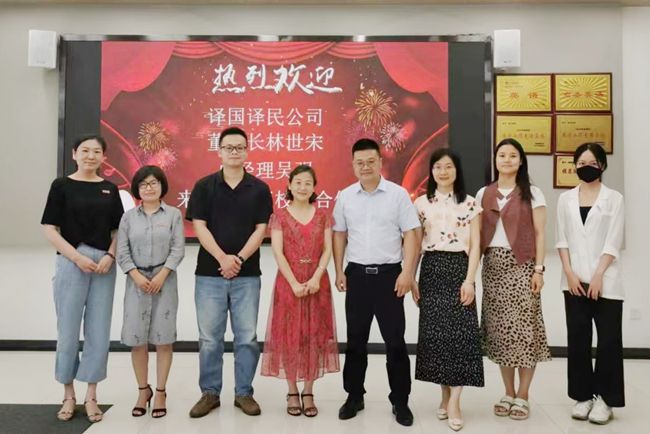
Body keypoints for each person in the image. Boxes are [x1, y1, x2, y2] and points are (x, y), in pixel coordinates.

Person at [333, 138, 420, 427]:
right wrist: (339, 270)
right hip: (357, 276)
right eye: (360, 162)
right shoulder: (345, 197)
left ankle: (400, 400)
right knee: (355, 341)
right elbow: (339, 234)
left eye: (371, 161)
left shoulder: (397, 195)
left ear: (380, 162)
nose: (365, 167)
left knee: (395, 341)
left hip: (389, 277)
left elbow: (411, 233)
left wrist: (408, 273)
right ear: (353, 165)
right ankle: (354, 396)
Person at [186, 126, 273, 418]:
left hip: (247, 275)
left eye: (239, 147)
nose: (234, 152)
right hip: (209, 274)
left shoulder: (259, 188)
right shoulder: (204, 186)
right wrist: (223, 258)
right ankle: (210, 393)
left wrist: (238, 259)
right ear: (219, 151)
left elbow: (261, 229)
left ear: (247, 151)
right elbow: (199, 226)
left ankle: (244, 393)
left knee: (246, 337)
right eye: (229, 147)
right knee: (210, 339)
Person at [41, 135, 124, 423]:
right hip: (71, 261)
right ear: (75, 154)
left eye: (97, 151)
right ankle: (68, 394)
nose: (91, 156)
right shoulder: (61, 186)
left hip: (103, 265)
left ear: (104, 157)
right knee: (67, 332)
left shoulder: (110, 189)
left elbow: (118, 231)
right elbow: (49, 228)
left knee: (98, 332)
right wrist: (76, 258)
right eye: (85, 151)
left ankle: (91, 395)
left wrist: (110, 256)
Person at [476, 137, 551, 421]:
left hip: (523, 266)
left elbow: (541, 234)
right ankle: (508, 392)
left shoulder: (533, 193)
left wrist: (539, 270)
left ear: (521, 161)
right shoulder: (483, 193)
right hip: (493, 267)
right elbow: (475, 234)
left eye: (512, 155)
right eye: (502, 155)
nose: (507, 160)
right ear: (495, 161)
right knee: (500, 332)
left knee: (524, 331)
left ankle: (523, 394)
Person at [412, 148, 484, 431]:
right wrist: (412, 278)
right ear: (431, 171)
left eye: (448, 167)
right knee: (438, 337)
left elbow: (476, 246)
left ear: (457, 171)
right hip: (431, 270)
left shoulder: (470, 203)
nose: (443, 172)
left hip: (459, 270)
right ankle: (444, 396)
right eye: (438, 167)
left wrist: (470, 280)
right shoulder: (421, 204)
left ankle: (455, 401)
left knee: (461, 337)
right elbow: (415, 245)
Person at [261, 165, 339, 417]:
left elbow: (327, 250)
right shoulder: (279, 216)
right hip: (289, 282)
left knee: (313, 336)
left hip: (317, 283)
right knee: (289, 336)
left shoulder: (323, 215)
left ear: (314, 187)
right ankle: (292, 391)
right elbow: (278, 252)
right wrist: (294, 282)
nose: (303, 187)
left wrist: (316, 277)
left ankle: (308, 391)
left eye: (308, 183)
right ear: (290, 185)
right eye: (298, 182)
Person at [556, 143, 625, 424]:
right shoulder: (565, 199)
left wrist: (598, 275)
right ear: (574, 166)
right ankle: (583, 396)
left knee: (608, 341)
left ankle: (606, 400)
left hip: (605, 280)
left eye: (593, 163)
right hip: (573, 281)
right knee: (578, 340)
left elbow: (614, 240)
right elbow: (562, 239)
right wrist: (569, 272)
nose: (587, 167)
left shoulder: (614, 199)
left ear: (602, 166)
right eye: (581, 162)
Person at [116, 165, 185, 418]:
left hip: (164, 282)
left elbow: (178, 249)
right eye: (143, 184)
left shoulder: (173, 215)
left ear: (162, 186)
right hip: (136, 284)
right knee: (137, 341)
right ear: (137, 189)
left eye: (154, 183)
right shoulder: (128, 218)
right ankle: (142, 390)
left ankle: (161, 392)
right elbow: (122, 251)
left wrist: (162, 275)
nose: (149, 187)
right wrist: (136, 276)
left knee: (163, 340)